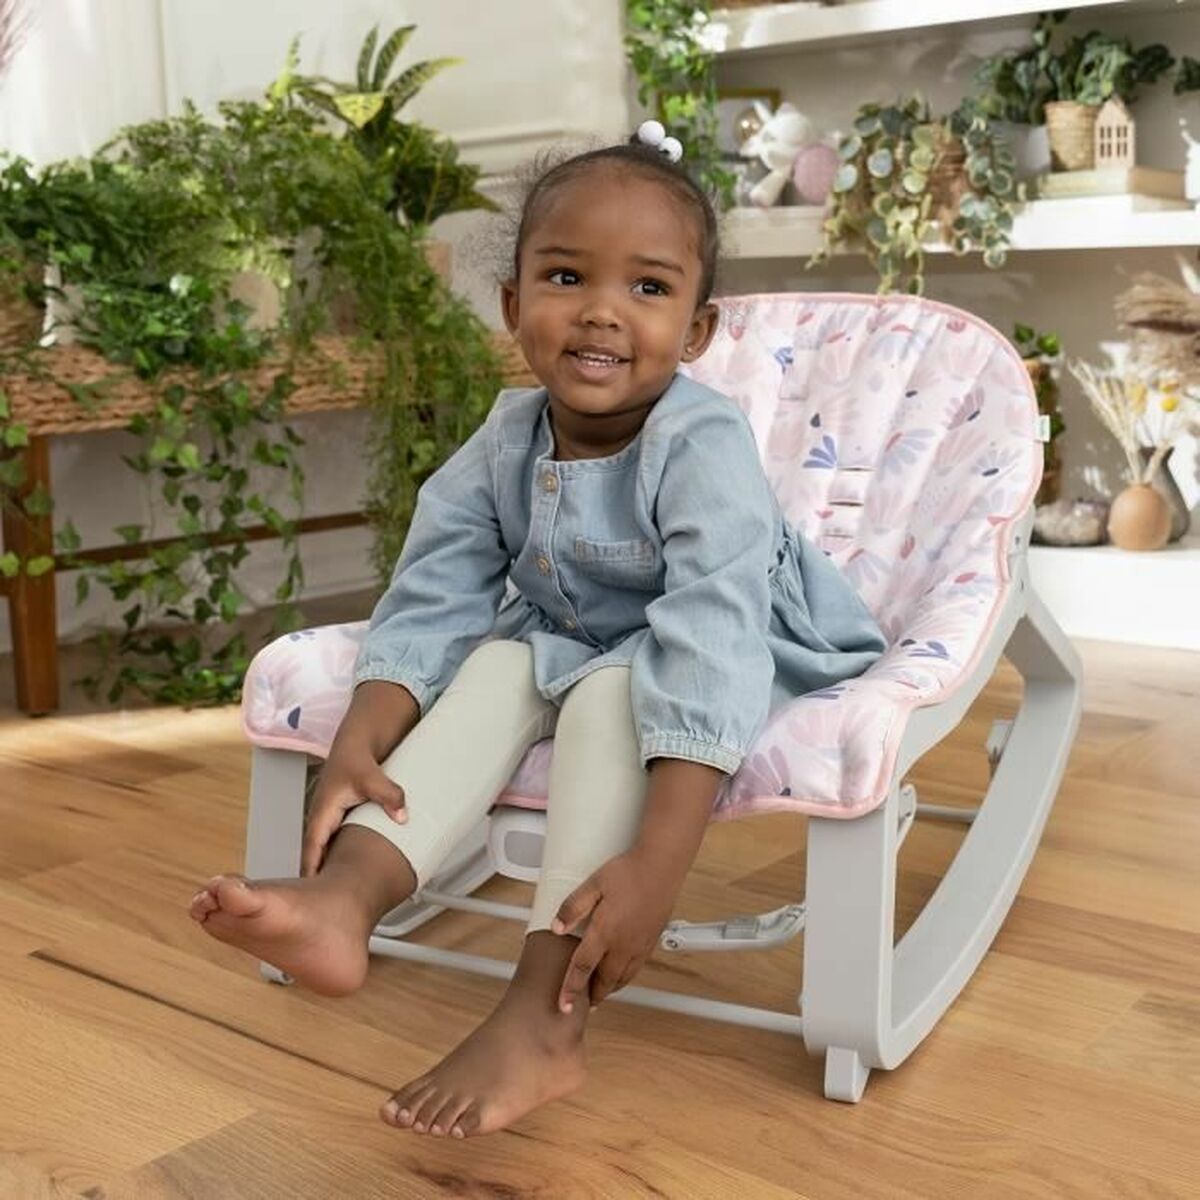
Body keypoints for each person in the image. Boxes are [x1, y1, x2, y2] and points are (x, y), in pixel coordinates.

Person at [188, 121, 885, 1140]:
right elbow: (435, 594)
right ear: (514, 305)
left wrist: (658, 866)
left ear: (697, 330)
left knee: (611, 694)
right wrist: (358, 740)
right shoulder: (504, 436)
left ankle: (546, 1015)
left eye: (648, 287)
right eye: (566, 276)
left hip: (737, 644)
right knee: (496, 665)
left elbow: (710, 640)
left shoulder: (703, 443)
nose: (602, 310)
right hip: (569, 633)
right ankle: (346, 897)